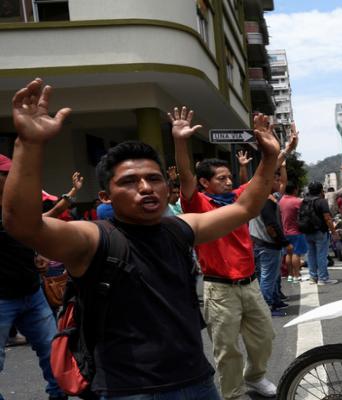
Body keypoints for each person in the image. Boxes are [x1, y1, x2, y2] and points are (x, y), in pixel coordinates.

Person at [2, 78, 280, 398]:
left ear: (165, 186)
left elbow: (245, 207)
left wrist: (269, 158)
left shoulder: (180, 228)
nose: (146, 188)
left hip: (198, 383)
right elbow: (23, 225)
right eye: (130, 181)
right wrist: (29, 144)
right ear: (106, 195)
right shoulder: (93, 240)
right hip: (128, 391)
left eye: (153, 179)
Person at [174, 108, 287, 399]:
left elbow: (262, 178)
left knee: (264, 338)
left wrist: (273, 152)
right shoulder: (196, 203)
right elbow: (185, 175)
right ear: (204, 183)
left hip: (249, 284)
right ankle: (233, 394)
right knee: (226, 350)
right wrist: (180, 142)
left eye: (228, 177)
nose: (227, 182)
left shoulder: (238, 198)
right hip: (219, 288)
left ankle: (255, 377)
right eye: (220, 178)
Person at [0, 153, 67, 400]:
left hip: (32, 292)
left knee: (54, 355)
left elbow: (29, 232)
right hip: (2, 299)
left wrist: (36, 255)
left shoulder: (20, 204)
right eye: (5, 174)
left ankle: (58, 396)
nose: (10, 178)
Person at [249, 162, 291, 316]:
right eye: (275, 180)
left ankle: (274, 300)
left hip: (259, 243)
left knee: (269, 276)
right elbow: (271, 226)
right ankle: (266, 307)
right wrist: (284, 243)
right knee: (267, 277)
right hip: (268, 245)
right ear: (267, 182)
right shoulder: (266, 201)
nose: (279, 183)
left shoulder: (262, 197)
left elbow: (284, 183)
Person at [302, 182, 341, 284]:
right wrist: (333, 232)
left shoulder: (304, 201)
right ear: (320, 191)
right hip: (320, 231)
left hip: (307, 232)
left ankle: (313, 277)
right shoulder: (321, 201)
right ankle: (323, 278)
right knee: (321, 255)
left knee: (310, 255)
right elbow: (327, 218)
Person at [280, 182, 308, 283]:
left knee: (288, 254)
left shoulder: (281, 200)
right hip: (296, 231)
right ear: (295, 189)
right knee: (296, 254)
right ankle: (297, 276)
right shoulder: (297, 201)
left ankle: (290, 275)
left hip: (285, 231)